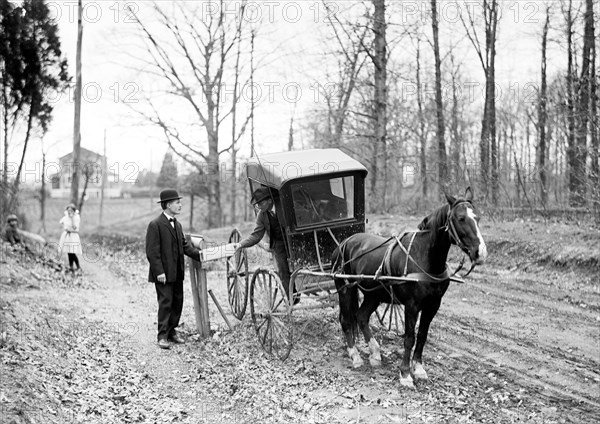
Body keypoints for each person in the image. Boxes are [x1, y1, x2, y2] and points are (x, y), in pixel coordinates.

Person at [146, 188, 202, 350]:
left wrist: (201, 255)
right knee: (166, 303)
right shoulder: (155, 224)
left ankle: (171, 331)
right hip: (163, 274)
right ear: (169, 204)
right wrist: (159, 272)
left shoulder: (177, 225)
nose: (180, 205)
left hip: (177, 272)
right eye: (177, 202)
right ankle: (162, 336)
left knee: (177, 302)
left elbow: (185, 247)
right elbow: (152, 252)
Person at [234, 187, 296, 303]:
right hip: (279, 243)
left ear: (269, 200)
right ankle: (292, 298)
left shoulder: (283, 205)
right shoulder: (262, 215)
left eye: (260, 203)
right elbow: (256, 235)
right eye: (257, 204)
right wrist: (240, 244)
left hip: (294, 239)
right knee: (282, 269)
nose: (259, 207)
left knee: (299, 265)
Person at [59, 204, 82, 273]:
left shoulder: (76, 218)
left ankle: (78, 266)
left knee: (72, 252)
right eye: (68, 210)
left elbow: (75, 228)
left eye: (71, 210)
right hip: (67, 236)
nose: (69, 212)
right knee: (69, 252)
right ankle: (71, 266)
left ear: (74, 211)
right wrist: (66, 228)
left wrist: (72, 219)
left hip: (73, 235)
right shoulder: (66, 217)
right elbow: (62, 222)